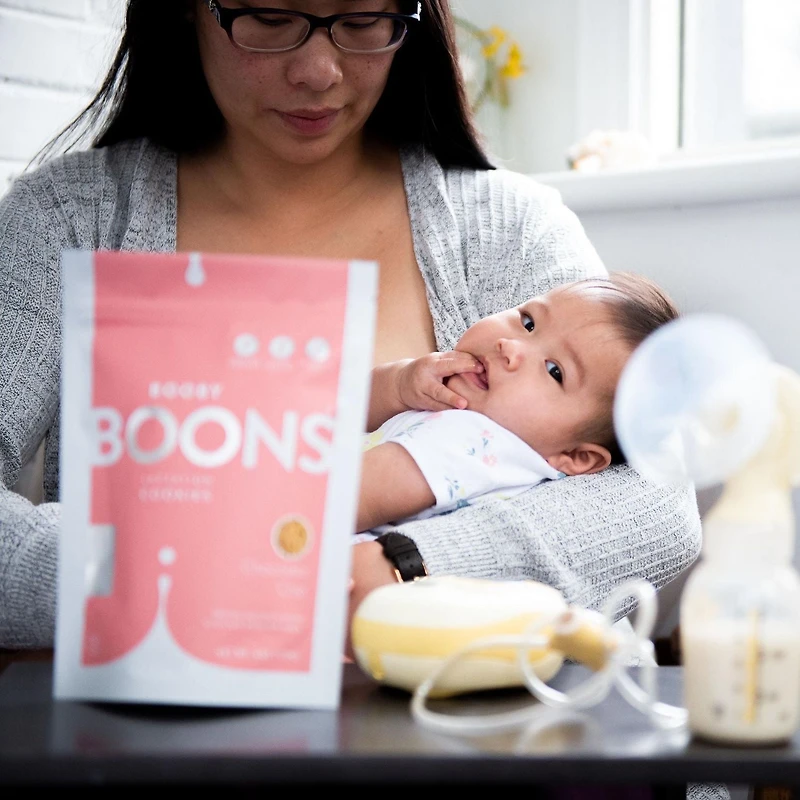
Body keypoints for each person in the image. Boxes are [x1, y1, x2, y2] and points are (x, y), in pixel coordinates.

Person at [0, 0, 700, 669]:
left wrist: (406, 568)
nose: (318, 72)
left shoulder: (508, 227)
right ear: (188, 8)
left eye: (365, 21)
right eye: (269, 18)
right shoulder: (67, 219)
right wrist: (189, 579)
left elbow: (657, 501)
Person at [352, 272, 680, 537]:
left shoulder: (474, 444)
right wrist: (399, 384)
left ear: (577, 457)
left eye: (555, 371)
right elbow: (339, 411)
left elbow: (339, 496)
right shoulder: (477, 418)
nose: (510, 347)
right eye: (528, 322)